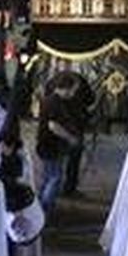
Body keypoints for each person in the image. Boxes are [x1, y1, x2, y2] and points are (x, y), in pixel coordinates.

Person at [36, 73, 87, 212]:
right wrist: (70, 138)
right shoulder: (53, 102)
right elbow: (53, 126)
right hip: (51, 146)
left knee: (48, 178)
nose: (73, 93)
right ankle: (45, 209)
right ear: (65, 88)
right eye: (72, 90)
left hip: (48, 145)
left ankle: (40, 208)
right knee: (55, 179)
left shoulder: (53, 100)